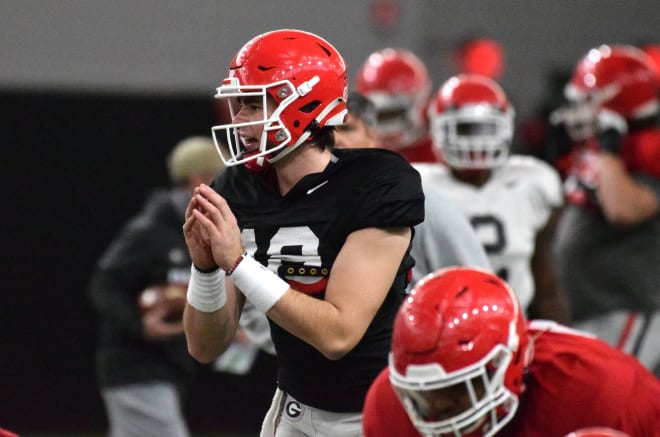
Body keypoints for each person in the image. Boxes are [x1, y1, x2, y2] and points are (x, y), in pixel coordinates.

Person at [182, 29, 425, 437]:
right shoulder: (238, 188)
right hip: (294, 410)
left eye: (253, 104)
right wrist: (204, 270)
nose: (239, 118)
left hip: (378, 411)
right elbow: (205, 347)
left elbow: (338, 334)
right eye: (239, 104)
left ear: (303, 102)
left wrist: (238, 263)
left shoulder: (377, 182)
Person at [362, 267, 660, 437]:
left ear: (510, 363)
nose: (438, 405)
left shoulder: (606, 395)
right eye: (424, 393)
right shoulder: (389, 407)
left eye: (457, 388)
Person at [87, 136, 225, 437]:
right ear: (198, 178)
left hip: (168, 369)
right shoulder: (149, 229)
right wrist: (140, 326)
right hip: (135, 368)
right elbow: (103, 283)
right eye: (219, 176)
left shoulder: (198, 229)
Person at [416, 74, 568, 322]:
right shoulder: (418, 184)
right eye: (464, 129)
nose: (476, 141)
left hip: (515, 324)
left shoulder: (532, 181)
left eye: (486, 128)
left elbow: (546, 285)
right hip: (441, 324)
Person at [551, 44, 660, 376]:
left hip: (630, 310)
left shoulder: (647, 153)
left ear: (617, 105)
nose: (579, 111)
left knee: (617, 406)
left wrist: (609, 144)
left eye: (589, 101)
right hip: (593, 314)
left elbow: (622, 209)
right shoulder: (604, 154)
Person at [333, 91, 491, 284]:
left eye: (346, 128)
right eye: (324, 132)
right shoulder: (297, 198)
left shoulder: (416, 196)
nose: (334, 140)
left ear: (372, 136)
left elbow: (477, 283)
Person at [355, 47, 440, 163]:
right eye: (377, 116)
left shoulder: (440, 152)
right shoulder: (360, 156)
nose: (384, 129)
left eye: (392, 114)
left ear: (421, 102)